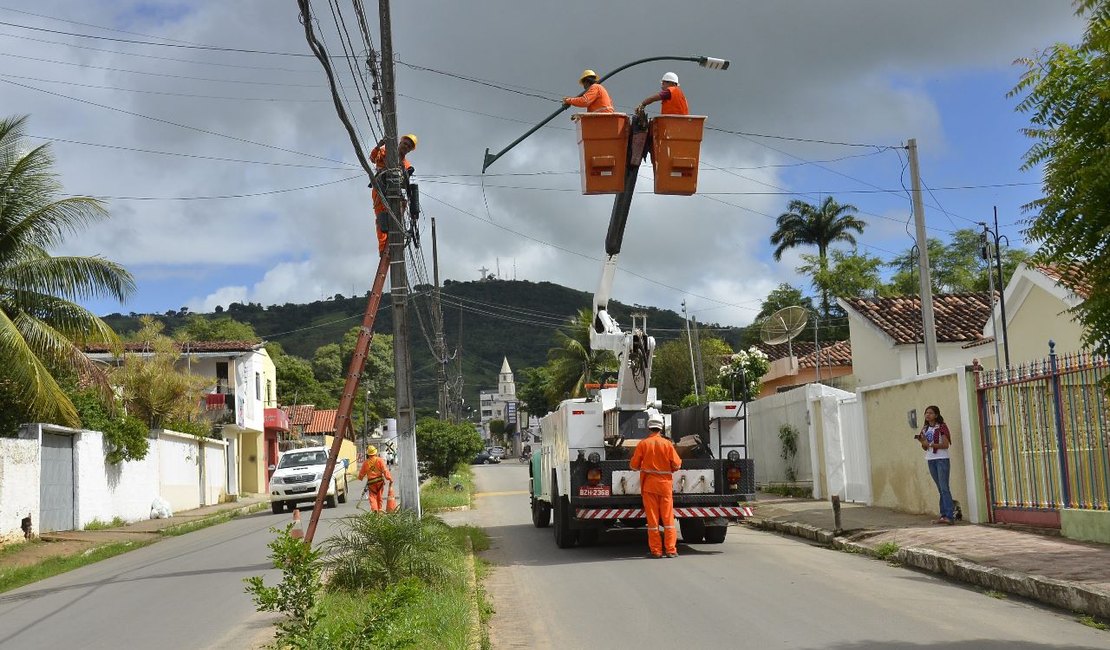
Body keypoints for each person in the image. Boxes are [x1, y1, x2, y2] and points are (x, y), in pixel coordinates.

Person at [629, 414, 682, 558]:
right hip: (665, 486)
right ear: (661, 427)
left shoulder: (643, 444)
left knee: (652, 520)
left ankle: (656, 551)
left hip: (649, 486)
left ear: (649, 427)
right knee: (668, 518)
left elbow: (634, 465)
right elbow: (677, 464)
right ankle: (671, 550)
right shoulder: (667, 444)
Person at [369, 134, 417, 255]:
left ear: (410, 150)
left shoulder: (406, 164)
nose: (406, 146)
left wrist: (405, 171)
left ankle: (396, 230)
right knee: (382, 218)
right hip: (380, 188)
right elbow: (372, 158)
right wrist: (379, 146)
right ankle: (383, 250)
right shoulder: (385, 151)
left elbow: (407, 179)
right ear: (400, 142)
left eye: (409, 146)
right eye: (405, 143)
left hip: (395, 193)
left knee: (399, 210)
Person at [915, 405, 955, 524]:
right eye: (926, 413)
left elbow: (945, 445)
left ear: (936, 415)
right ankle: (943, 515)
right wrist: (923, 442)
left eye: (931, 413)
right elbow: (925, 447)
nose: (928, 415)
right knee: (940, 488)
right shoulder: (925, 428)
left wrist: (930, 444)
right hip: (931, 459)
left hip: (941, 459)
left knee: (944, 488)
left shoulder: (941, 427)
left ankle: (949, 515)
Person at [357, 444, 393, 512]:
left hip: (371, 483)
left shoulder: (366, 462)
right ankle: (379, 509)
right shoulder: (380, 460)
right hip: (380, 482)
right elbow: (385, 470)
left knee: (372, 497)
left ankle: (374, 509)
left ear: (368, 454)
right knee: (379, 497)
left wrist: (360, 477)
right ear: (375, 453)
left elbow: (361, 474)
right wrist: (389, 478)